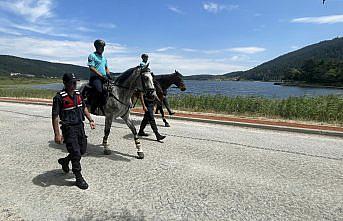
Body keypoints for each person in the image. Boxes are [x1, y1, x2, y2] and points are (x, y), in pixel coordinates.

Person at [52, 73, 95, 190]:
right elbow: (55, 116)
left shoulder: (78, 94)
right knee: (76, 153)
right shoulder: (59, 97)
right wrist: (57, 134)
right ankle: (78, 177)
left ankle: (65, 161)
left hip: (80, 126)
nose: (74, 84)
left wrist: (90, 119)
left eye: (75, 82)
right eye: (72, 82)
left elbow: (84, 107)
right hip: (68, 128)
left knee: (82, 150)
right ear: (65, 83)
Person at [138, 75, 166, 141]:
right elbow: (141, 96)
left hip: (152, 103)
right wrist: (144, 106)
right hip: (147, 103)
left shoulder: (152, 85)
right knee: (151, 118)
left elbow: (154, 93)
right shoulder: (143, 85)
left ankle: (140, 131)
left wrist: (158, 100)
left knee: (146, 118)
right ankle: (157, 134)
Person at [88, 39, 111, 114]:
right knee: (99, 90)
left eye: (103, 47)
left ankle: (106, 105)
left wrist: (109, 75)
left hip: (104, 77)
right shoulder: (92, 55)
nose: (103, 49)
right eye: (101, 47)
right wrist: (101, 75)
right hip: (95, 78)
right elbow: (91, 67)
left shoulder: (104, 58)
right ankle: (93, 107)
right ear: (96, 47)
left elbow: (106, 68)